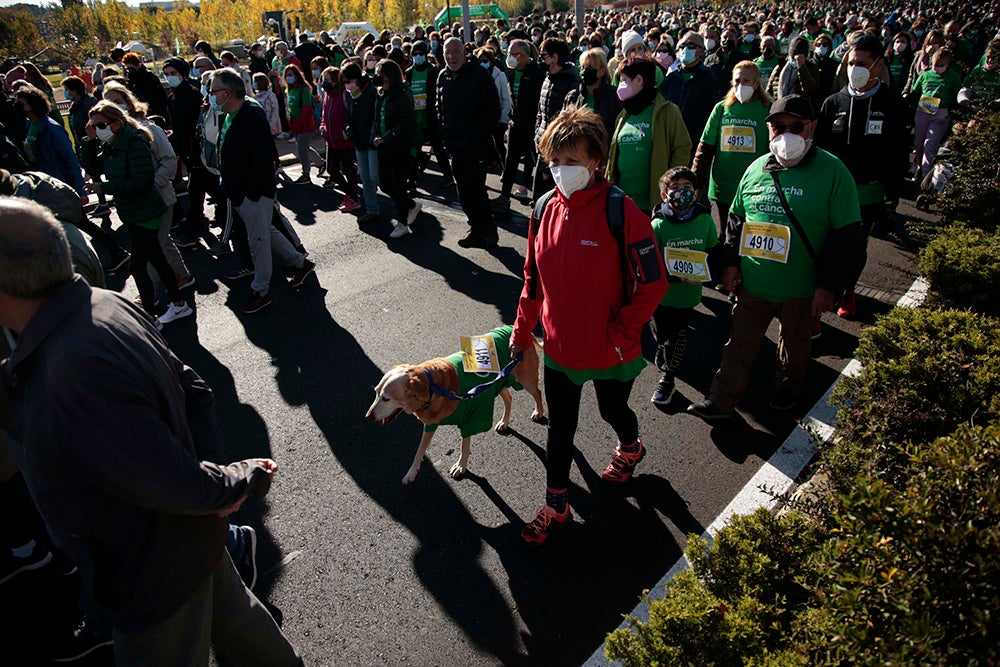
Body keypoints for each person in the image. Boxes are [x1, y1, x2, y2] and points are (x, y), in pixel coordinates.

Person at [0, 197, 303, 666]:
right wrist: (216, 490)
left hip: (150, 570)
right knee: (245, 628)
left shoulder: (74, 372)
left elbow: (170, 475)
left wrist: (233, 482)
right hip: (189, 536)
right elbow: (194, 389)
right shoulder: (108, 303)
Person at [512, 108, 667, 546]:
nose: (563, 170)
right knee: (561, 427)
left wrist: (622, 334)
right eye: (555, 161)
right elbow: (532, 279)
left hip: (611, 350)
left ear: (596, 161)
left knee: (612, 411)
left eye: (573, 160)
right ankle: (556, 504)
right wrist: (523, 334)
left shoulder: (622, 209)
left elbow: (653, 282)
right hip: (561, 347)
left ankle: (630, 447)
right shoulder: (543, 207)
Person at [687, 95, 861, 420]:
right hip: (754, 284)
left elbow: (847, 240)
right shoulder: (755, 169)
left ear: (812, 128)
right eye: (779, 127)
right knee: (738, 344)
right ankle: (721, 400)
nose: (787, 135)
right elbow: (735, 223)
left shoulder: (834, 172)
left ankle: (788, 387)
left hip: (802, 289)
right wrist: (730, 265)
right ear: (769, 130)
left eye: (796, 127)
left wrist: (830, 286)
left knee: (795, 349)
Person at [816, 34, 909, 319]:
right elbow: (819, 147)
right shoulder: (834, 102)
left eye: (863, 63)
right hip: (832, 189)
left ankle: (848, 290)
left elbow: (899, 151)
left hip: (868, 192)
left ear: (879, 65)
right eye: (852, 62)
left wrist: (892, 193)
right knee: (825, 241)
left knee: (855, 245)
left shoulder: (892, 103)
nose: (855, 68)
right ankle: (823, 289)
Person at [79, 101, 193, 328]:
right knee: (159, 260)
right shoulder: (110, 144)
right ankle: (180, 305)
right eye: (92, 126)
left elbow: (141, 182)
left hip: (147, 212)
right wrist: (90, 141)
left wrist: (106, 188)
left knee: (138, 266)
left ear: (116, 123)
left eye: (100, 125)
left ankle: (151, 315)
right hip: (133, 212)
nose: (96, 129)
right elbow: (93, 167)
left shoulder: (135, 141)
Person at [211, 68, 315, 315]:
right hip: (241, 191)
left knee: (258, 242)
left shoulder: (252, 115)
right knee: (264, 230)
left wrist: (253, 195)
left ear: (227, 93)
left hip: (252, 192)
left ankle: (261, 291)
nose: (210, 95)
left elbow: (263, 158)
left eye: (214, 90)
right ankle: (300, 263)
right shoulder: (231, 114)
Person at [103, 81, 194, 293]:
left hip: (158, 199)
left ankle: (152, 290)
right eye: (109, 103)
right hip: (134, 203)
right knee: (161, 242)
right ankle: (181, 275)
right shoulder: (112, 136)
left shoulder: (149, 129)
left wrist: (149, 185)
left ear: (129, 102)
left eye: (118, 101)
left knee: (152, 247)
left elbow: (170, 161)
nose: (114, 107)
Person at [649, 166, 720, 404]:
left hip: (688, 297)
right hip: (661, 296)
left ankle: (668, 379)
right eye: (675, 189)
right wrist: (674, 276)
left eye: (687, 188)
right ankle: (662, 348)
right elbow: (651, 262)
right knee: (661, 333)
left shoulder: (705, 221)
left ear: (697, 194)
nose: (681, 193)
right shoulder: (658, 226)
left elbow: (712, 252)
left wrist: (704, 273)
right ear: (664, 196)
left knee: (677, 339)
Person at [692, 61, 772, 245]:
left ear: (756, 83)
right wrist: (695, 182)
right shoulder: (721, 109)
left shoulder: (767, 109)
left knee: (750, 238)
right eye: (737, 81)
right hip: (723, 188)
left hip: (756, 188)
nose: (741, 85)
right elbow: (705, 149)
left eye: (746, 81)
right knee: (725, 238)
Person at [438, 37, 501, 248]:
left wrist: (477, 136)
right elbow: (440, 108)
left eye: (456, 51)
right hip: (455, 146)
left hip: (476, 146)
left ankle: (488, 229)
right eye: (448, 52)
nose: (452, 56)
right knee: (463, 191)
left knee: (476, 189)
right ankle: (476, 227)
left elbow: (493, 110)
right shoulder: (442, 77)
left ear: (464, 53)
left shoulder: (479, 76)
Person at [606, 57, 691, 214]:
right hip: (623, 203)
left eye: (624, 80)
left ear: (639, 80)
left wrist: (671, 186)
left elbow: (682, 148)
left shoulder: (668, 111)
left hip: (653, 204)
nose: (619, 86)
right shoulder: (624, 114)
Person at [162, 57, 221, 253]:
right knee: (208, 189)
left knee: (197, 190)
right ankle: (220, 217)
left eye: (173, 73)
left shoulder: (191, 95)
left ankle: (193, 229)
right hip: (186, 151)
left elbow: (196, 127)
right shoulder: (172, 96)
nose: (170, 77)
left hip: (196, 151)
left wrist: (190, 148)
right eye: (167, 74)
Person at [373, 59, 421, 238]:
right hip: (384, 146)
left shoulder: (402, 95)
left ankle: (402, 222)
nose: (378, 77)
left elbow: (407, 122)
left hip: (400, 147)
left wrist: (387, 137)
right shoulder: (381, 95)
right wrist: (376, 136)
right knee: (384, 184)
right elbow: (378, 119)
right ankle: (410, 205)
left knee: (398, 185)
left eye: (381, 74)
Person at [14, 84, 87, 201]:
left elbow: (69, 159)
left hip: (60, 184)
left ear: (32, 106)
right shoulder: (29, 126)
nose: (17, 106)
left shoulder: (51, 128)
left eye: (21, 104)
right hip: (44, 184)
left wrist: (80, 189)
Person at [532, 38, 580, 201]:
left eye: (544, 55)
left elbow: (567, 119)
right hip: (542, 145)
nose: (541, 59)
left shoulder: (571, 82)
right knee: (539, 198)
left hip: (557, 150)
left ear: (555, 57)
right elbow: (541, 111)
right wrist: (537, 134)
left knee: (555, 198)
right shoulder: (546, 78)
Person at [497, 38, 543, 203]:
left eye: (513, 54)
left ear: (523, 56)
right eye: (508, 53)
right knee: (510, 161)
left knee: (533, 159)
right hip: (515, 123)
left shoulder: (537, 73)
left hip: (531, 125)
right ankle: (504, 195)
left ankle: (532, 193)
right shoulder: (510, 71)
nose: (509, 57)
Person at [659, 31, 723, 148]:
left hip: (695, 140)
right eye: (682, 46)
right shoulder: (672, 77)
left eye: (691, 46)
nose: (685, 50)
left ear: (701, 50)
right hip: (671, 140)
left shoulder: (708, 77)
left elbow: (714, 111)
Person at [405, 40, 453, 189]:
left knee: (438, 148)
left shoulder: (433, 71)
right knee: (414, 149)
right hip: (415, 119)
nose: (418, 57)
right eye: (415, 54)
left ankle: (448, 175)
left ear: (426, 55)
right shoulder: (409, 72)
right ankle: (411, 179)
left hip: (430, 117)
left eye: (421, 54)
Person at [909, 48, 962, 181]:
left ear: (947, 64)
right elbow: (915, 91)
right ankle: (918, 166)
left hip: (941, 113)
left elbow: (956, 95)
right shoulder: (925, 75)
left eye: (940, 65)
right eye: (934, 65)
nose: (937, 68)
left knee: (931, 143)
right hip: (923, 110)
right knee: (919, 142)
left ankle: (925, 173)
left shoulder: (953, 77)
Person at [318, 67, 361, 212]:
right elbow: (324, 117)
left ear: (336, 81)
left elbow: (353, 116)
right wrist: (323, 127)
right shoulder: (327, 96)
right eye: (323, 80)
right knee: (332, 170)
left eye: (328, 80)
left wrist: (346, 132)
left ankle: (353, 198)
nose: (325, 83)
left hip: (345, 142)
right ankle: (351, 194)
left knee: (349, 171)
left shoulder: (345, 95)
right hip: (331, 141)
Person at [343, 62, 381, 224]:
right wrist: (349, 129)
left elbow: (375, 116)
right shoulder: (354, 94)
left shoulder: (371, 92)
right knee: (365, 177)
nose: (346, 85)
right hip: (359, 140)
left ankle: (403, 201)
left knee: (375, 176)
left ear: (355, 78)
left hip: (371, 141)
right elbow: (351, 115)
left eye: (347, 81)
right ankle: (372, 209)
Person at [561, 47, 621, 137]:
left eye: (590, 67)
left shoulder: (614, 96)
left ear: (602, 71)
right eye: (582, 67)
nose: (584, 70)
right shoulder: (572, 96)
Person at [477, 47, 513, 169]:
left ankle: (505, 167)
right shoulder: (478, 76)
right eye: (480, 60)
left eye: (485, 60)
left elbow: (506, 98)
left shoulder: (500, 75)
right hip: (483, 117)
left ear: (491, 61)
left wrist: (503, 118)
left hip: (498, 117)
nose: (483, 63)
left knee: (499, 145)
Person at [283, 63, 317, 184]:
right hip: (295, 125)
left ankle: (306, 174)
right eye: (287, 75)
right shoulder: (291, 90)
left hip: (305, 125)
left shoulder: (303, 89)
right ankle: (321, 163)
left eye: (291, 75)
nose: (288, 77)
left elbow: (307, 109)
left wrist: (300, 122)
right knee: (305, 148)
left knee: (302, 150)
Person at [121, 53, 171, 124]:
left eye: (131, 68)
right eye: (127, 69)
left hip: (155, 111)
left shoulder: (149, 77)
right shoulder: (131, 80)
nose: (129, 71)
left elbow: (161, 97)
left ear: (137, 65)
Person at [769, 36, 820, 101]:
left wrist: (802, 67)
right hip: (779, 106)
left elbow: (811, 90)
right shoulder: (780, 67)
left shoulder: (811, 67)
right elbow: (769, 90)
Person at [253, 73, 282, 137]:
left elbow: (275, 110)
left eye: (255, 82)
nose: (254, 84)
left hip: (270, 126)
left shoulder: (270, 95)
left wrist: (271, 124)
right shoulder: (256, 96)